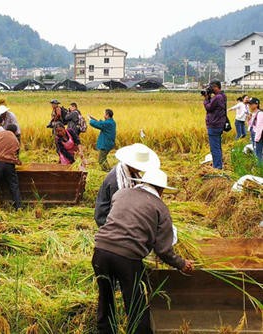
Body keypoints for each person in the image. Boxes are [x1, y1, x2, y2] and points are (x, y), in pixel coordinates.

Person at [92, 169, 194, 334]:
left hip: (100, 251)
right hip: (127, 258)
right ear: (160, 190)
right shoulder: (160, 207)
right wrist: (181, 264)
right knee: (136, 304)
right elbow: (163, 249)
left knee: (106, 299)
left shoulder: (122, 193)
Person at [94, 143, 160, 227]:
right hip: (106, 219)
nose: (140, 170)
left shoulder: (131, 173)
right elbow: (119, 209)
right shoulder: (117, 180)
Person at [0, 124, 22, 210]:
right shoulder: (15, 139)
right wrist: (17, 161)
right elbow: (17, 153)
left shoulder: (0, 134)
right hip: (9, 164)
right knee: (14, 185)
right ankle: (18, 207)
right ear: (14, 132)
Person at [202, 80, 227, 169]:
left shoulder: (217, 97)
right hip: (219, 124)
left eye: (212, 87)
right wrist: (209, 97)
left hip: (214, 125)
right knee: (218, 147)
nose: (211, 89)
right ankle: (219, 165)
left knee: (214, 148)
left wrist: (206, 99)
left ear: (216, 87)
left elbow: (208, 108)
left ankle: (217, 167)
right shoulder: (223, 96)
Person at [248, 97, 263, 163]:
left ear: (256, 104)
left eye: (251, 104)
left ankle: (260, 168)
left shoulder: (260, 113)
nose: (250, 105)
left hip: (258, 135)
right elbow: (251, 125)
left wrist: (257, 139)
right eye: (249, 104)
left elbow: (260, 127)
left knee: (258, 153)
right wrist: (248, 119)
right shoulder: (253, 113)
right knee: (255, 152)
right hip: (253, 134)